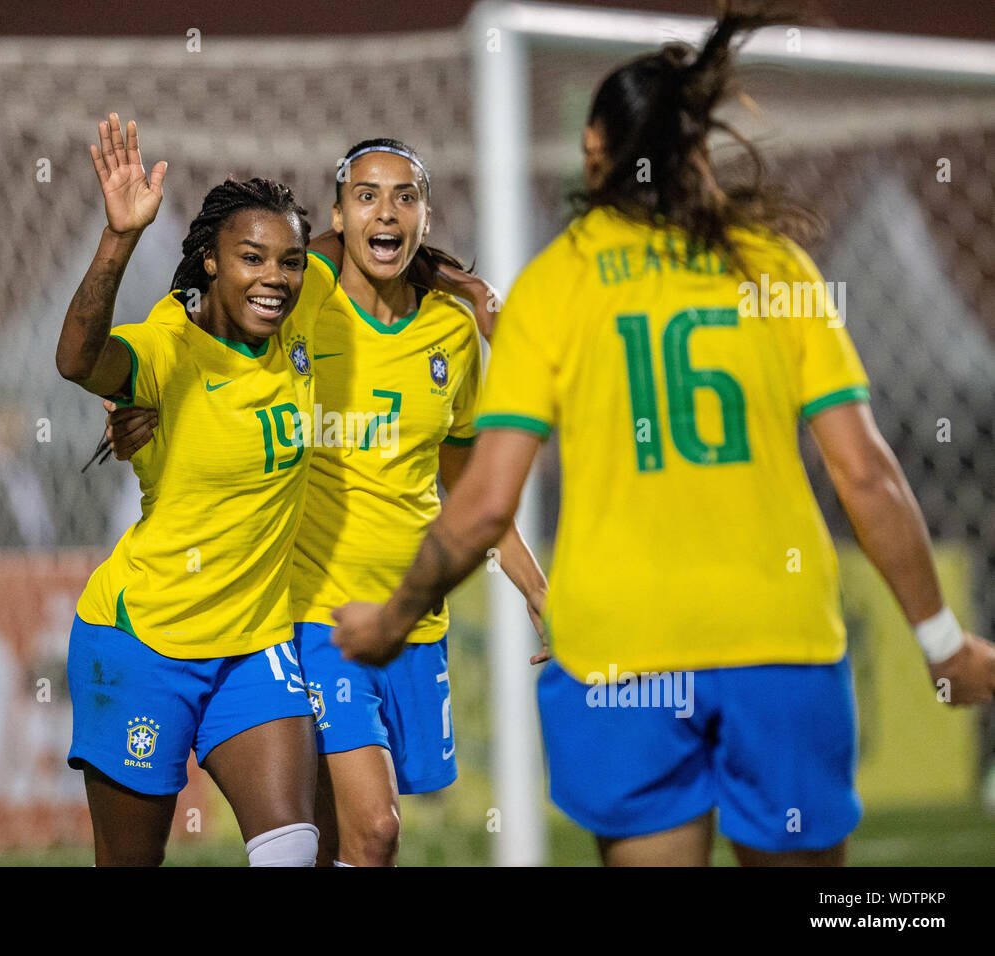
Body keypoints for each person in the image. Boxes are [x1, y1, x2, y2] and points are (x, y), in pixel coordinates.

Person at [330, 7, 995, 867]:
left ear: (594, 151)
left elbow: (485, 502)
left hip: (621, 657)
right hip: (776, 642)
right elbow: (866, 474)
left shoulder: (555, 285)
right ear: (698, 152)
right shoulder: (773, 267)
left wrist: (393, 618)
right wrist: (942, 642)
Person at [102, 139, 549, 866]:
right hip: (314, 617)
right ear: (337, 218)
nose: (386, 212)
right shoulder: (300, 300)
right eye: (366, 196)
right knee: (375, 828)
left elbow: (469, 486)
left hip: (414, 618)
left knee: (345, 842)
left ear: (426, 216)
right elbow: (201, 326)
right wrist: (143, 401)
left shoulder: (451, 332)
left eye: (405, 197)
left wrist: (536, 588)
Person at [57, 114, 335, 866]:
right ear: (210, 261)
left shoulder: (302, 303)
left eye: (290, 261)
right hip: (145, 642)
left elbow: (360, 240)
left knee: (292, 849)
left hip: (255, 643)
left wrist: (463, 285)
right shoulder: (167, 349)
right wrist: (119, 238)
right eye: (251, 258)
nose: (275, 277)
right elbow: (77, 360)